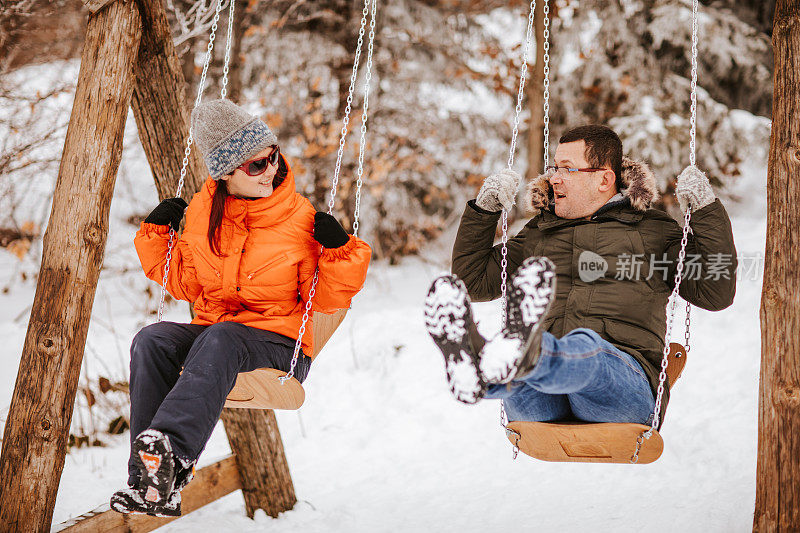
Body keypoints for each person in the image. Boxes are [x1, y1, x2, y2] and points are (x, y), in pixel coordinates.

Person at [111, 99, 371, 516]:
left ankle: (173, 455)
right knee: (152, 339)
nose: (270, 170)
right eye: (256, 166)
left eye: (272, 159)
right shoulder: (202, 214)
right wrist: (157, 235)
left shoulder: (300, 220)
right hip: (219, 337)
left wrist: (340, 251)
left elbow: (326, 300)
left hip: (281, 346)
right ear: (226, 173)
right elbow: (182, 281)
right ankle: (150, 480)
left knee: (222, 335)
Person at [424, 124, 736, 430]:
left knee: (588, 348)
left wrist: (706, 210)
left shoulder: (653, 230)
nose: (553, 178)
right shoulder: (538, 233)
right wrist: (485, 210)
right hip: (544, 400)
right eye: (554, 167)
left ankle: (523, 355)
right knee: (527, 378)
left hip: (624, 389)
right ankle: (483, 370)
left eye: (567, 169)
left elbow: (714, 292)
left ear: (604, 179)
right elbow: (473, 282)